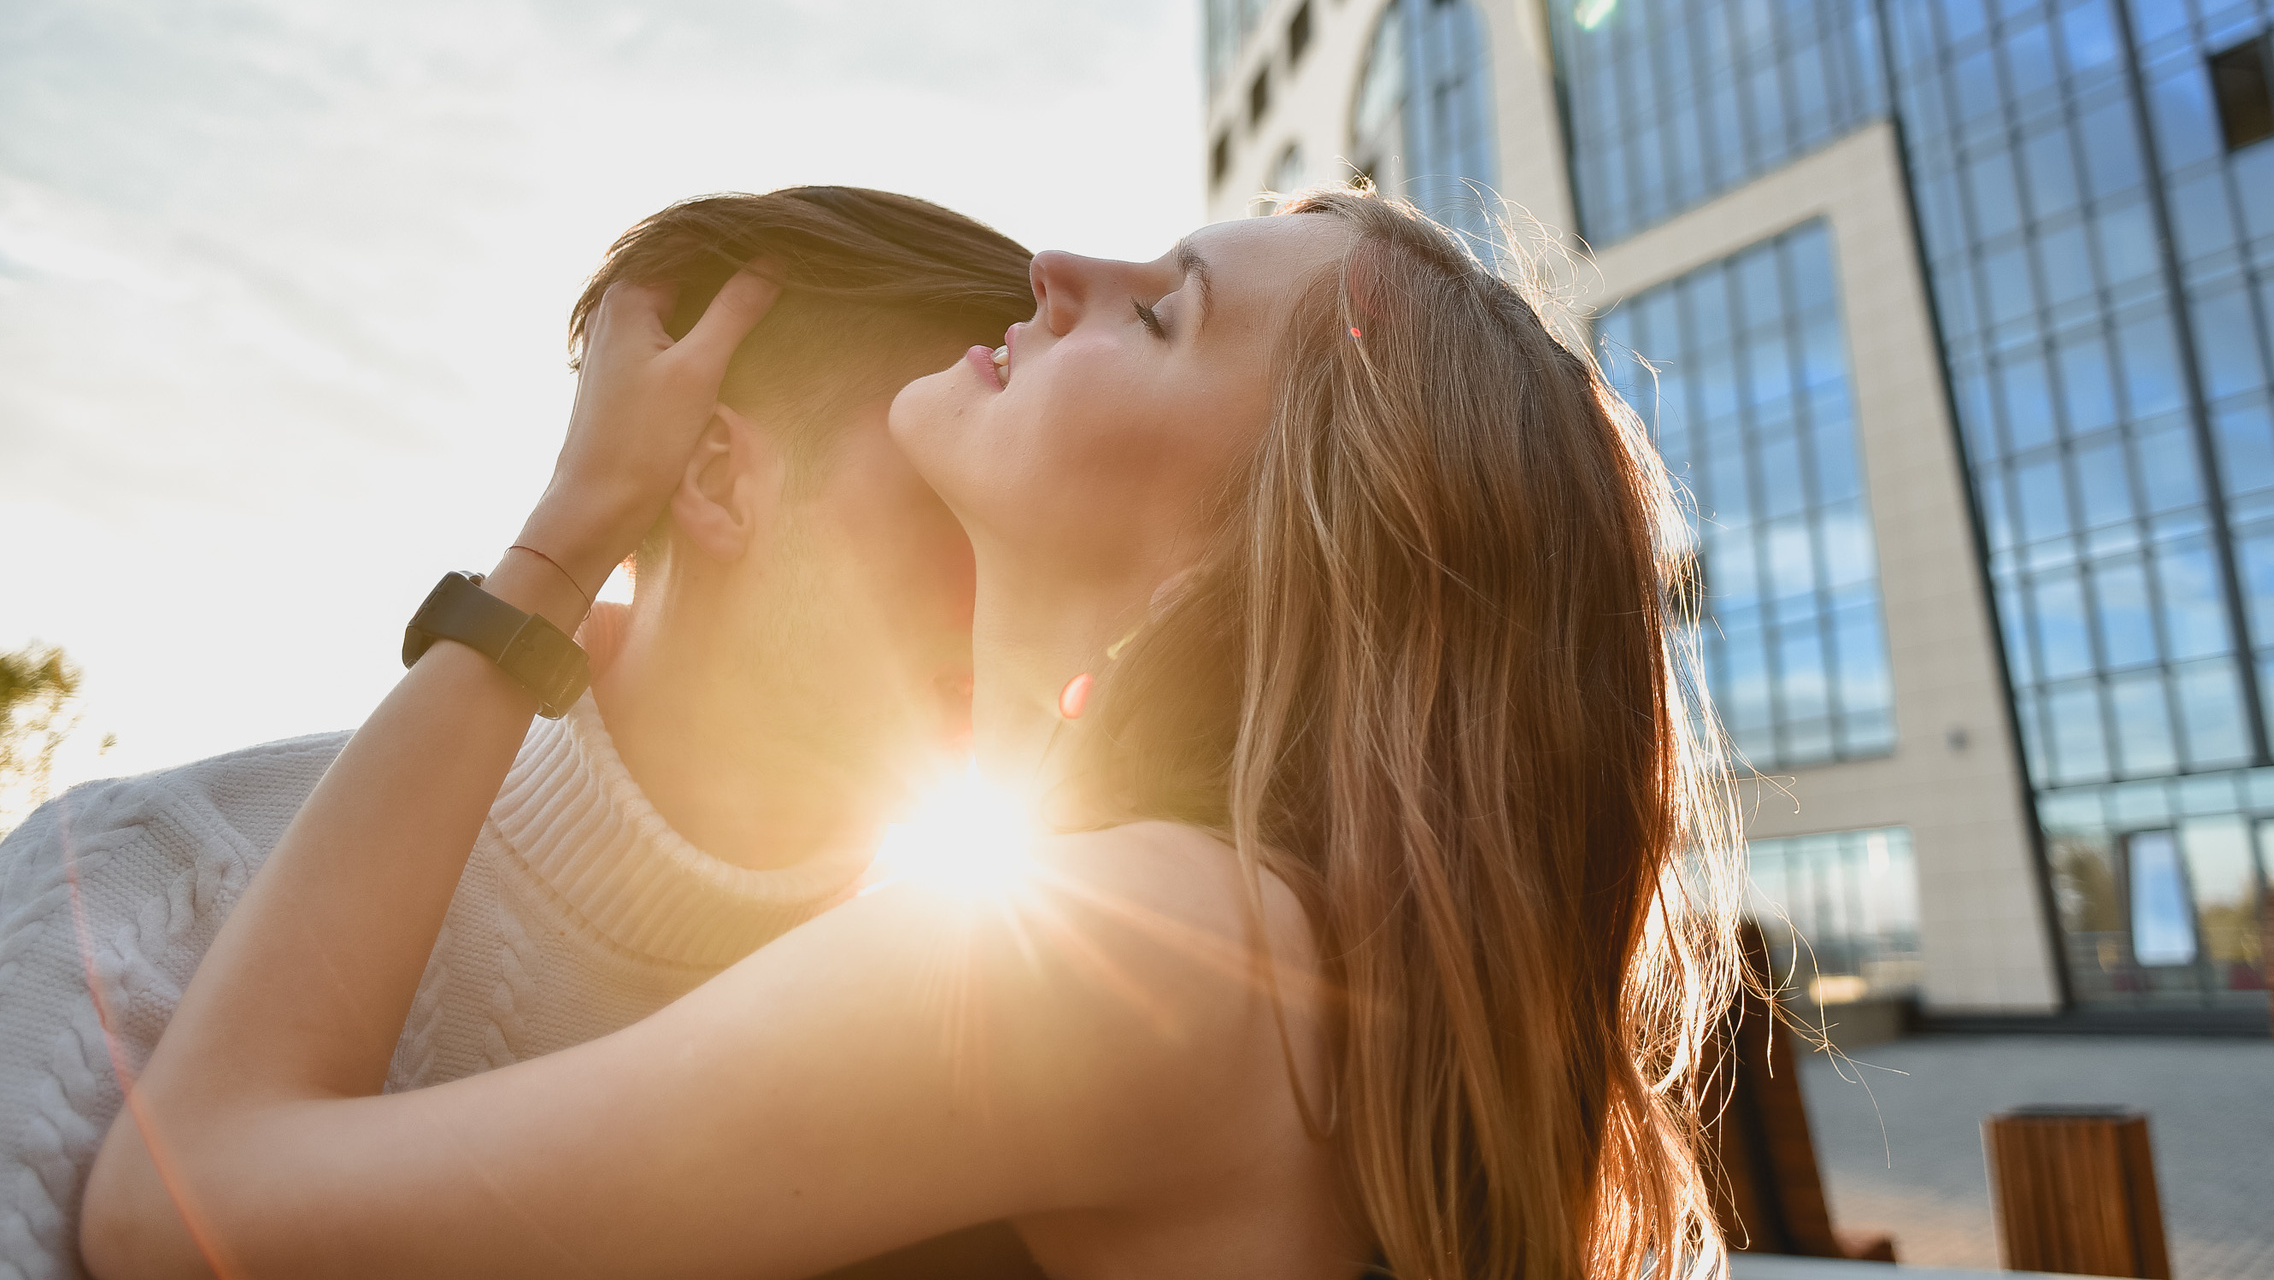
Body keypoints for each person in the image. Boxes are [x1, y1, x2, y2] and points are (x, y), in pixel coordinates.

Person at [80, 192, 1745, 1280]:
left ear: (1245, 558)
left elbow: (181, 1199)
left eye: (1162, 313)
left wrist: (558, 555)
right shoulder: (1227, 949)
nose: (1062, 270)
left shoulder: (1142, 953)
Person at [0, 187, 1043, 1280]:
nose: (1025, 579)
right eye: (951, 501)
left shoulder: (959, 1084)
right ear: (718, 477)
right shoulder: (139, 885)